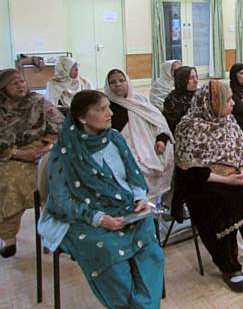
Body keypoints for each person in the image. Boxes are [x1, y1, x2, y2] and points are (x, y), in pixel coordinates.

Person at [38, 90, 164, 308]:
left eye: (109, 107)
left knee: (150, 250)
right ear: (82, 117)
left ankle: (144, 305)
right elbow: (60, 202)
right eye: (102, 109)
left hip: (124, 208)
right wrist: (99, 219)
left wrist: (140, 197)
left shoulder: (114, 138)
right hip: (82, 217)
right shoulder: (64, 151)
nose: (111, 113)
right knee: (109, 252)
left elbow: (134, 175)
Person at [174, 80, 243, 293]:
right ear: (212, 103)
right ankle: (229, 266)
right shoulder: (188, 127)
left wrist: (241, 168)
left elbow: (242, 148)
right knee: (221, 207)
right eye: (228, 99)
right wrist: (228, 180)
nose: (233, 103)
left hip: (233, 173)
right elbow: (190, 171)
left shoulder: (228, 120)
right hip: (205, 181)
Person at [0, 69, 63, 257]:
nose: (21, 86)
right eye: (14, 83)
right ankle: (8, 238)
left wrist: (48, 147)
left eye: (22, 81)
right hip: (9, 155)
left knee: (56, 179)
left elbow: (60, 125)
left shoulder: (38, 102)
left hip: (42, 151)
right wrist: (18, 153)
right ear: (3, 89)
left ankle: (51, 235)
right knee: (8, 182)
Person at [104, 69, 174, 202]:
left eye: (121, 80)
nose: (118, 84)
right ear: (108, 86)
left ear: (128, 81)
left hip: (149, 146)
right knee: (136, 169)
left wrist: (161, 140)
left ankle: (159, 205)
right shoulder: (107, 106)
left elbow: (158, 122)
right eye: (113, 82)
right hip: (124, 150)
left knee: (167, 158)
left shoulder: (139, 100)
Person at [163, 66, 198, 133]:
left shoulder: (200, 96)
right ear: (182, 80)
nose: (196, 81)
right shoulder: (172, 100)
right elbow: (170, 126)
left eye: (196, 76)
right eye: (191, 78)